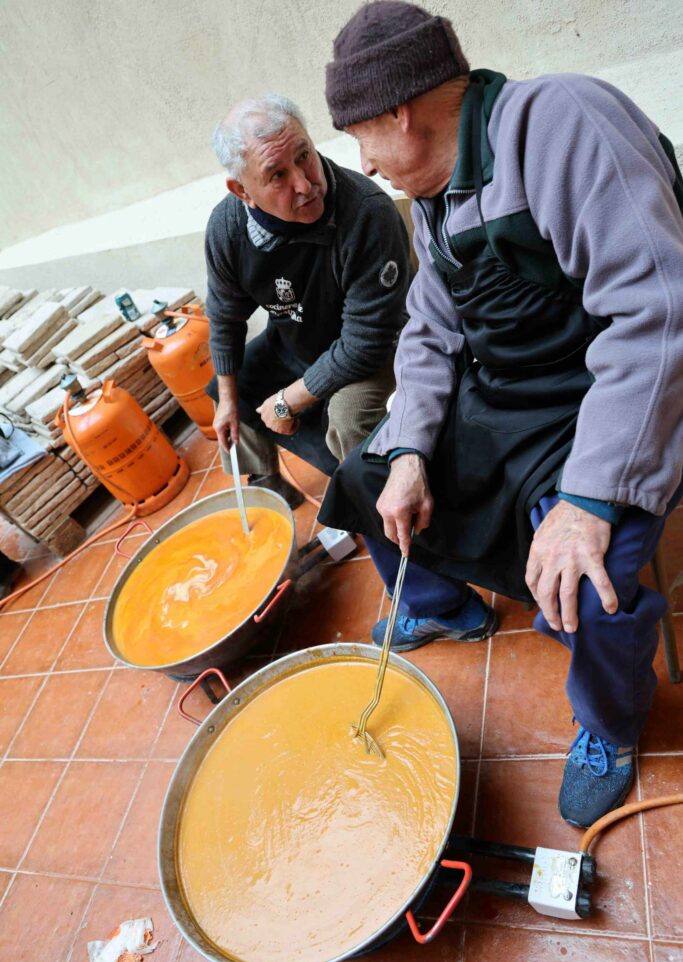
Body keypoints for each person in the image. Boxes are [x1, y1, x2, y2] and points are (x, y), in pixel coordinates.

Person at [319, 1, 683, 826]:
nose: (363, 165)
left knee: (586, 582)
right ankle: (445, 605)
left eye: (360, 139)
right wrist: (409, 450)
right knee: (366, 474)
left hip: (615, 394)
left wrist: (587, 499)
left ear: (398, 113)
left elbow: (658, 311)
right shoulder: (433, 192)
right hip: (511, 395)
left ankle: (609, 725)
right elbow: (429, 328)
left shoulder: (559, 122)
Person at [204, 94, 410, 505]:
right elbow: (225, 316)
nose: (304, 184)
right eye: (277, 175)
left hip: (379, 348)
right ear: (242, 191)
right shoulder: (227, 228)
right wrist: (227, 401)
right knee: (229, 387)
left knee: (348, 418)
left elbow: (365, 342)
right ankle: (267, 481)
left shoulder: (366, 213)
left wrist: (287, 402)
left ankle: (375, 502)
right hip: (297, 338)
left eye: (304, 156)